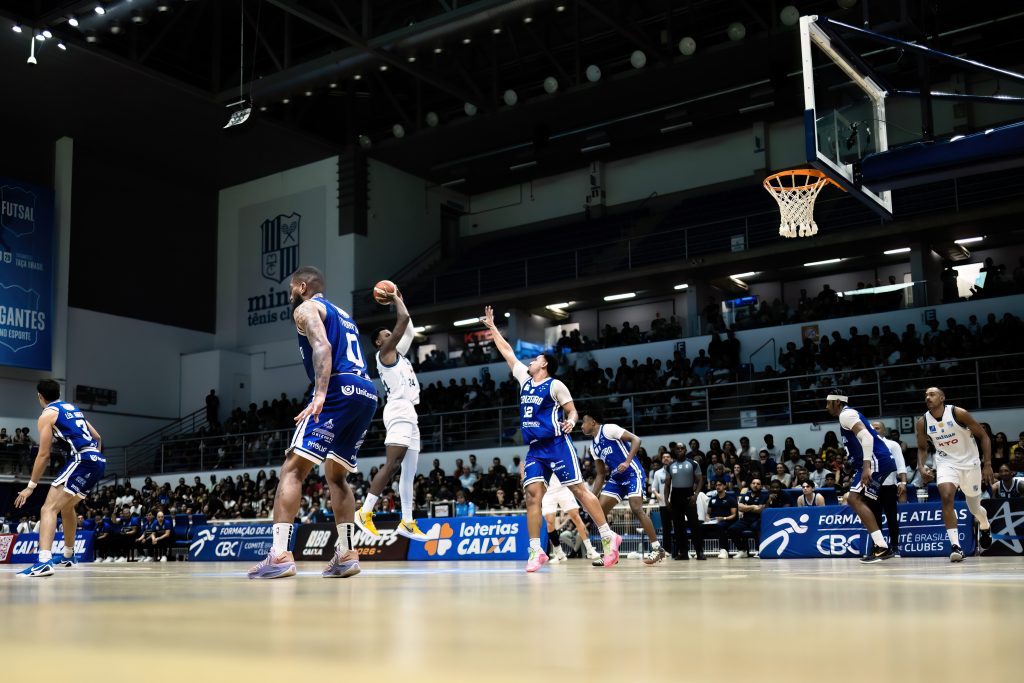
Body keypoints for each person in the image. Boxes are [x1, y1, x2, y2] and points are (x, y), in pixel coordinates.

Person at [248, 266, 379, 580]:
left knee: (293, 468)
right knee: (336, 476)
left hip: (337, 389)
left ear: (302, 286)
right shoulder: (344, 314)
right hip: (366, 392)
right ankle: (346, 553)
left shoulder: (306, 308)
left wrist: (320, 394)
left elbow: (323, 346)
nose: (290, 295)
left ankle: (279, 554)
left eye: (291, 289)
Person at [481, 305, 621, 572]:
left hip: (557, 445)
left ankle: (607, 536)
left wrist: (570, 421)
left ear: (544, 365)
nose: (530, 361)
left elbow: (572, 410)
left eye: (535, 359)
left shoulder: (555, 384)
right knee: (532, 496)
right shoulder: (524, 379)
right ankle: (536, 551)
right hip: (535, 449)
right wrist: (492, 328)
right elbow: (507, 352)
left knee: (579, 490)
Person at [354, 287, 427, 541]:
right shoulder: (384, 354)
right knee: (393, 464)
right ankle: (365, 511)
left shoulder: (399, 355)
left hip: (410, 412)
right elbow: (403, 320)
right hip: (398, 410)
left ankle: (407, 521)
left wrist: (400, 301)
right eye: (387, 334)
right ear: (379, 342)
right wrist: (396, 298)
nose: (391, 335)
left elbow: (410, 329)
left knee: (408, 472)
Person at [14, 380, 106, 577]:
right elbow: (97, 437)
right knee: (66, 507)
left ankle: (43, 562)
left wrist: (31, 486)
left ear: (40, 396)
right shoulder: (71, 408)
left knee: (48, 508)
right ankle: (68, 555)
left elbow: (44, 455)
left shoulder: (47, 415)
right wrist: (93, 459)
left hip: (81, 459)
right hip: (97, 460)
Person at [915, 387, 993, 562]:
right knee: (947, 497)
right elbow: (922, 448)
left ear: (942, 398)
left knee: (974, 508)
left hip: (970, 463)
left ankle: (985, 524)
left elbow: (984, 437)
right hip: (946, 463)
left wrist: (987, 464)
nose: (928, 397)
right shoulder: (922, 422)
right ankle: (956, 546)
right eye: (926, 395)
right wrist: (921, 467)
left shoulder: (959, 413)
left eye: (932, 394)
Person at [582, 410, 665, 564]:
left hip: (632, 473)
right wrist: (591, 498)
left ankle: (657, 549)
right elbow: (600, 474)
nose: (581, 426)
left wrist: (627, 461)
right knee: (597, 512)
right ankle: (611, 553)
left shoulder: (608, 429)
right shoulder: (593, 446)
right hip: (616, 479)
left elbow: (636, 440)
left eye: (583, 422)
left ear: (593, 422)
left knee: (636, 508)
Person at [824, 392, 897, 563]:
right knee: (865, 502)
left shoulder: (845, 414)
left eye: (828, 403)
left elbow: (866, 437)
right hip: (878, 461)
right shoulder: (849, 415)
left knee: (853, 499)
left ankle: (882, 546)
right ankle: (881, 546)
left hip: (875, 461)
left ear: (836, 402)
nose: (826, 407)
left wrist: (866, 466)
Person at [541, 473, 599, 563]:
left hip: (564, 488)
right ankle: (559, 554)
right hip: (548, 491)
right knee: (549, 523)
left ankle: (590, 549)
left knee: (575, 516)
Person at [664, 444, 706, 560]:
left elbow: (700, 480)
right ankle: (683, 553)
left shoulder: (693, 463)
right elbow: (667, 484)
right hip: (675, 496)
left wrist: (696, 495)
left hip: (689, 495)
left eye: (682, 448)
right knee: (678, 527)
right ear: (675, 451)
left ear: (685, 450)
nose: (680, 450)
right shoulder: (670, 465)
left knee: (694, 525)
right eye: (678, 449)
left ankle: (699, 552)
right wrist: (666, 500)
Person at [872, 420, 907, 555]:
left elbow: (900, 464)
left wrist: (903, 482)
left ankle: (895, 547)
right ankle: (878, 547)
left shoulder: (892, 445)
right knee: (875, 519)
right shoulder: (867, 445)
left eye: (878, 428)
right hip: (873, 487)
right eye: (872, 428)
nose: (875, 430)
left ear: (884, 431)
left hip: (889, 486)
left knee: (891, 518)